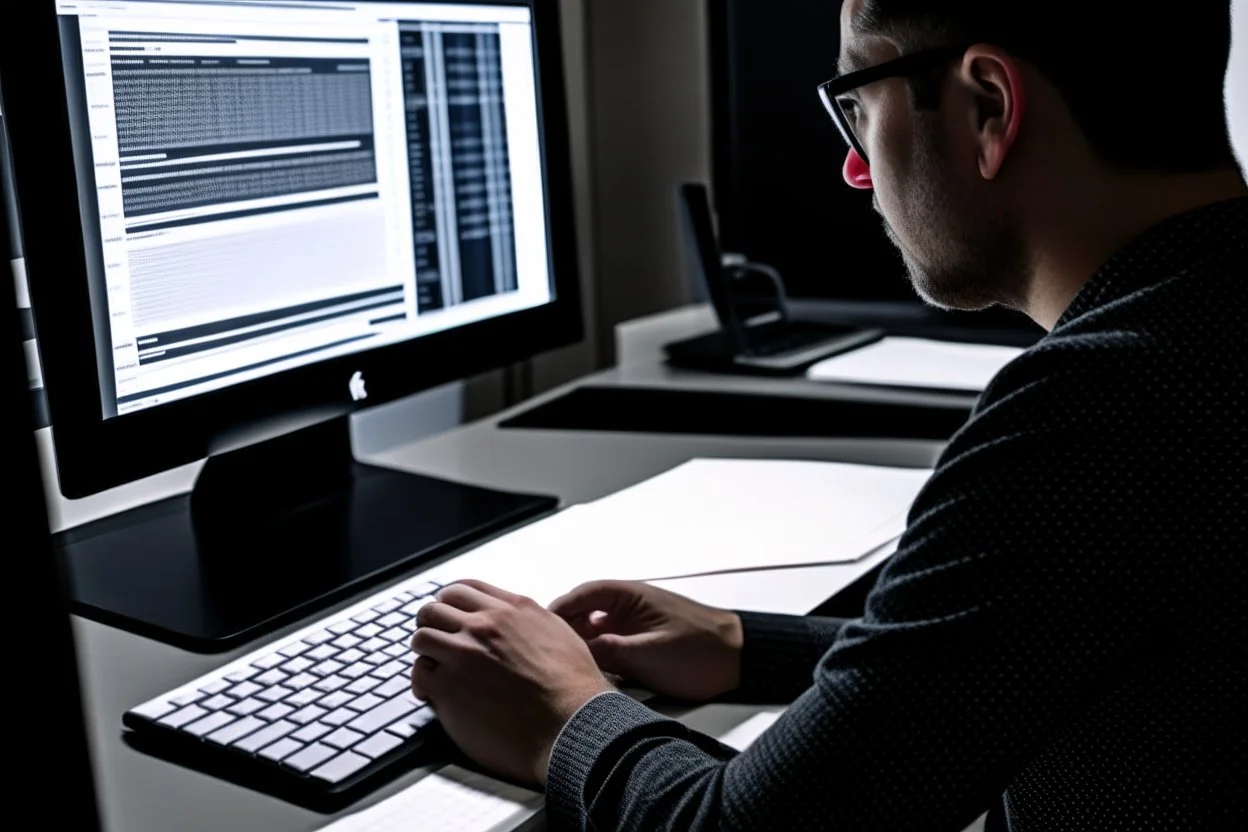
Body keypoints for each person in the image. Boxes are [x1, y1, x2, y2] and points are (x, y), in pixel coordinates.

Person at [409, 1, 1247, 828]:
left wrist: (563, 713)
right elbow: (1050, 643)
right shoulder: (1203, 334)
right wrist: (749, 646)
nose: (854, 168)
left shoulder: (1100, 411)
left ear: (989, 105)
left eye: (858, 103)